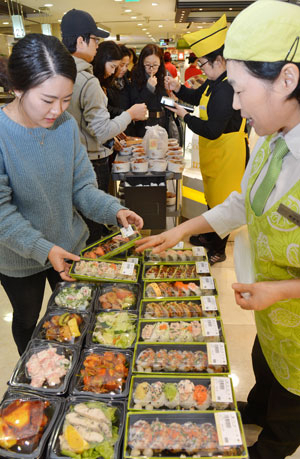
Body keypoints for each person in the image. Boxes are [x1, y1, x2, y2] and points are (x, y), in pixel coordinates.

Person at [136, 1, 300, 457]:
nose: (238, 104)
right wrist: (182, 229)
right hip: (270, 313)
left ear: (288, 79)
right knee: (265, 372)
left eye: (243, 90)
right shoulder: (268, 137)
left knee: (286, 420)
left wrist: (282, 291)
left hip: (295, 321)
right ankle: (257, 407)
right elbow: (244, 202)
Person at [0, 33, 143, 356]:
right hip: (18, 256)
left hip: (70, 243)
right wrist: (42, 247)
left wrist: (115, 210)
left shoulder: (65, 125)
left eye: (66, 99)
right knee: (28, 319)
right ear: (18, 88)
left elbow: (81, 187)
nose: (58, 110)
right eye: (48, 100)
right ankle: (38, 373)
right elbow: (1, 212)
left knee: (76, 314)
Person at [164, 14, 248, 265]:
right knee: (212, 197)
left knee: (224, 200)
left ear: (219, 60)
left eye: (203, 64)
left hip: (228, 153)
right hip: (215, 152)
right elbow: (194, 95)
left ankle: (218, 248)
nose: (201, 69)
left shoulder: (227, 88)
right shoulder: (213, 82)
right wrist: (178, 88)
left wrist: (184, 116)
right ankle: (210, 236)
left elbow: (212, 129)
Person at [61, 9, 147, 243]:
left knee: (80, 225)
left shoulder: (60, 73)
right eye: (95, 39)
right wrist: (130, 114)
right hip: (91, 160)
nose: (97, 45)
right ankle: (91, 272)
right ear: (81, 40)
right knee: (93, 228)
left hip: (69, 159)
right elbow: (99, 131)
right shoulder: (87, 81)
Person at [129, 44, 172, 138]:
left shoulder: (163, 74)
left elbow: (163, 101)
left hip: (162, 122)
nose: (151, 69)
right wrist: (149, 88)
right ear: (142, 62)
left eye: (155, 65)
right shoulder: (135, 74)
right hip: (144, 124)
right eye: (147, 65)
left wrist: (172, 98)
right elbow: (136, 103)